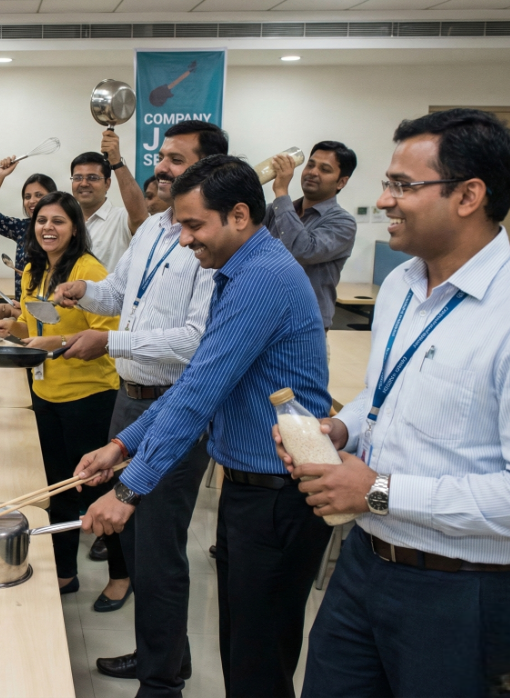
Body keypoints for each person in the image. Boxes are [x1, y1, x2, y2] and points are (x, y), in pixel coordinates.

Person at [282, 110, 510, 698]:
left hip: (465, 591)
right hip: (366, 563)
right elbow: (384, 388)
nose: (384, 200)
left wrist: (375, 489)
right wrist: (340, 429)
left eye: (402, 185)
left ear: (469, 195)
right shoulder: (401, 286)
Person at [74, 154, 331, 698]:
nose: (185, 240)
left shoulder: (262, 278)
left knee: (258, 667)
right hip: (250, 489)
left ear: (239, 215)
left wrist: (129, 486)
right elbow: (193, 384)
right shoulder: (236, 272)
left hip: (280, 495)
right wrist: (121, 444)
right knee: (241, 654)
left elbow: (199, 391)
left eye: (194, 225)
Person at [55, 119, 224, 693]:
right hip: (129, 401)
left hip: (176, 405)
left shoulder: (211, 242)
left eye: (176, 160)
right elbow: (119, 295)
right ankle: (165, 654)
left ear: (207, 169)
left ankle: (162, 680)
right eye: (163, 156)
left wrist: (112, 341)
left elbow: (199, 341)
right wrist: (86, 294)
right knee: (129, 539)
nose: (161, 167)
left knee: (157, 547)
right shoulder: (153, 227)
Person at [0, 191, 120, 595]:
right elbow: (35, 333)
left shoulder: (89, 270)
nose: (48, 227)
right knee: (57, 488)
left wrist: (56, 343)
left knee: (98, 491)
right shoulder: (32, 270)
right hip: (45, 393)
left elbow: (110, 335)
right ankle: (66, 573)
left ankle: (122, 576)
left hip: (90, 396)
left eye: (59, 221)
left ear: (75, 227)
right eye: (42, 220)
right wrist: (9, 329)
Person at [263, 141, 359, 330]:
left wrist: (281, 191)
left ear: (341, 182)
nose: (313, 172)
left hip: (305, 326)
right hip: (266, 321)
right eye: (310, 164)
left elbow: (302, 250)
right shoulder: (274, 212)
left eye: (325, 169)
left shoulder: (343, 223)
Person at [71, 130, 149, 274]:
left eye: (92, 178)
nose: (84, 183)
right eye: (77, 178)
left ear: (107, 183)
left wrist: (116, 162)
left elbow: (140, 214)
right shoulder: (66, 221)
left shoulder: (121, 219)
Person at [0, 156, 57, 287]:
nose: (31, 201)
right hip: (21, 304)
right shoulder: (22, 228)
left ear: (53, 197)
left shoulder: (64, 230)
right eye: (27, 197)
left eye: (39, 195)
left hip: (54, 304)